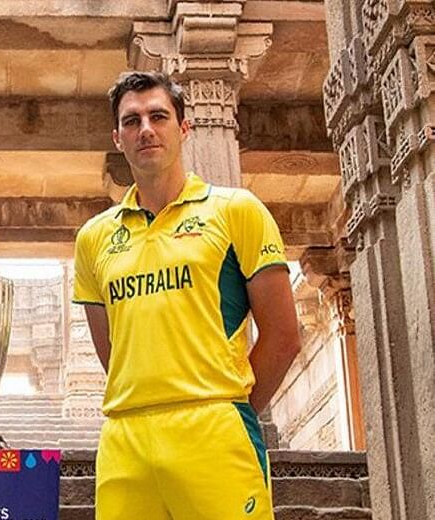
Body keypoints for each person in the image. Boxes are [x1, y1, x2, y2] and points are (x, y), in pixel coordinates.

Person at [73, 72, 302, 519]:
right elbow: (114, 352)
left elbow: (283, 335)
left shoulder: (236, 210)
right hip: (125, 440)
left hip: (214, 430)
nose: (146, 129)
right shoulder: (93, 238)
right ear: (117, 137)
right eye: (132, 120)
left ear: (183, 127)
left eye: (158, 116)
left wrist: (226, 404)